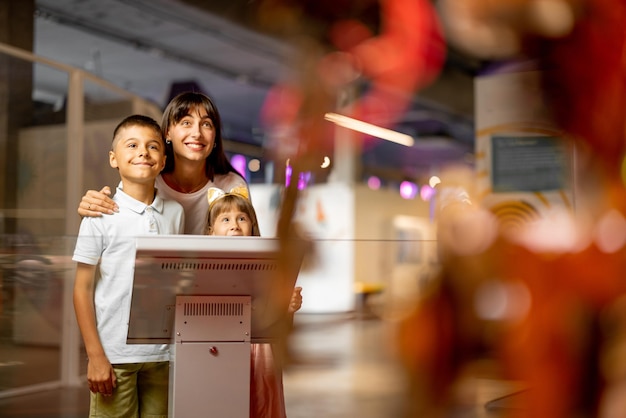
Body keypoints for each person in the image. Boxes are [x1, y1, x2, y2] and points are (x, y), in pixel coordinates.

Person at [72, 114, 185, 417]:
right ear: (114, 158)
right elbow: (81, 289)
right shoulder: (99, 214)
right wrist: (96, 356)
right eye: (132, 145)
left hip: (163, 355)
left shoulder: (176, 213)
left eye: (153, 147)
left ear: (163, 160)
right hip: (115, 355)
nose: (143, 153)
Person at [77, 91, 247, 235]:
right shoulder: (149, 179)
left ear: (215, 136)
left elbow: (247, 246)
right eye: (186, 122)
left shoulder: (232, 186)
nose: (197, 133)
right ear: (167, 133)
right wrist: (93, 207)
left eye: (207, 124)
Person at [205, 186, 303, 418]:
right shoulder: (205, 268)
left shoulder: (267, 266)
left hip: (260, 350)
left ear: (252, 227)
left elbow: (278, 322)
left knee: (263, 402)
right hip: (221, 349)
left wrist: (288, 307)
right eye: (225, 219)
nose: (234, 225)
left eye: (242, 218)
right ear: (211, 231)